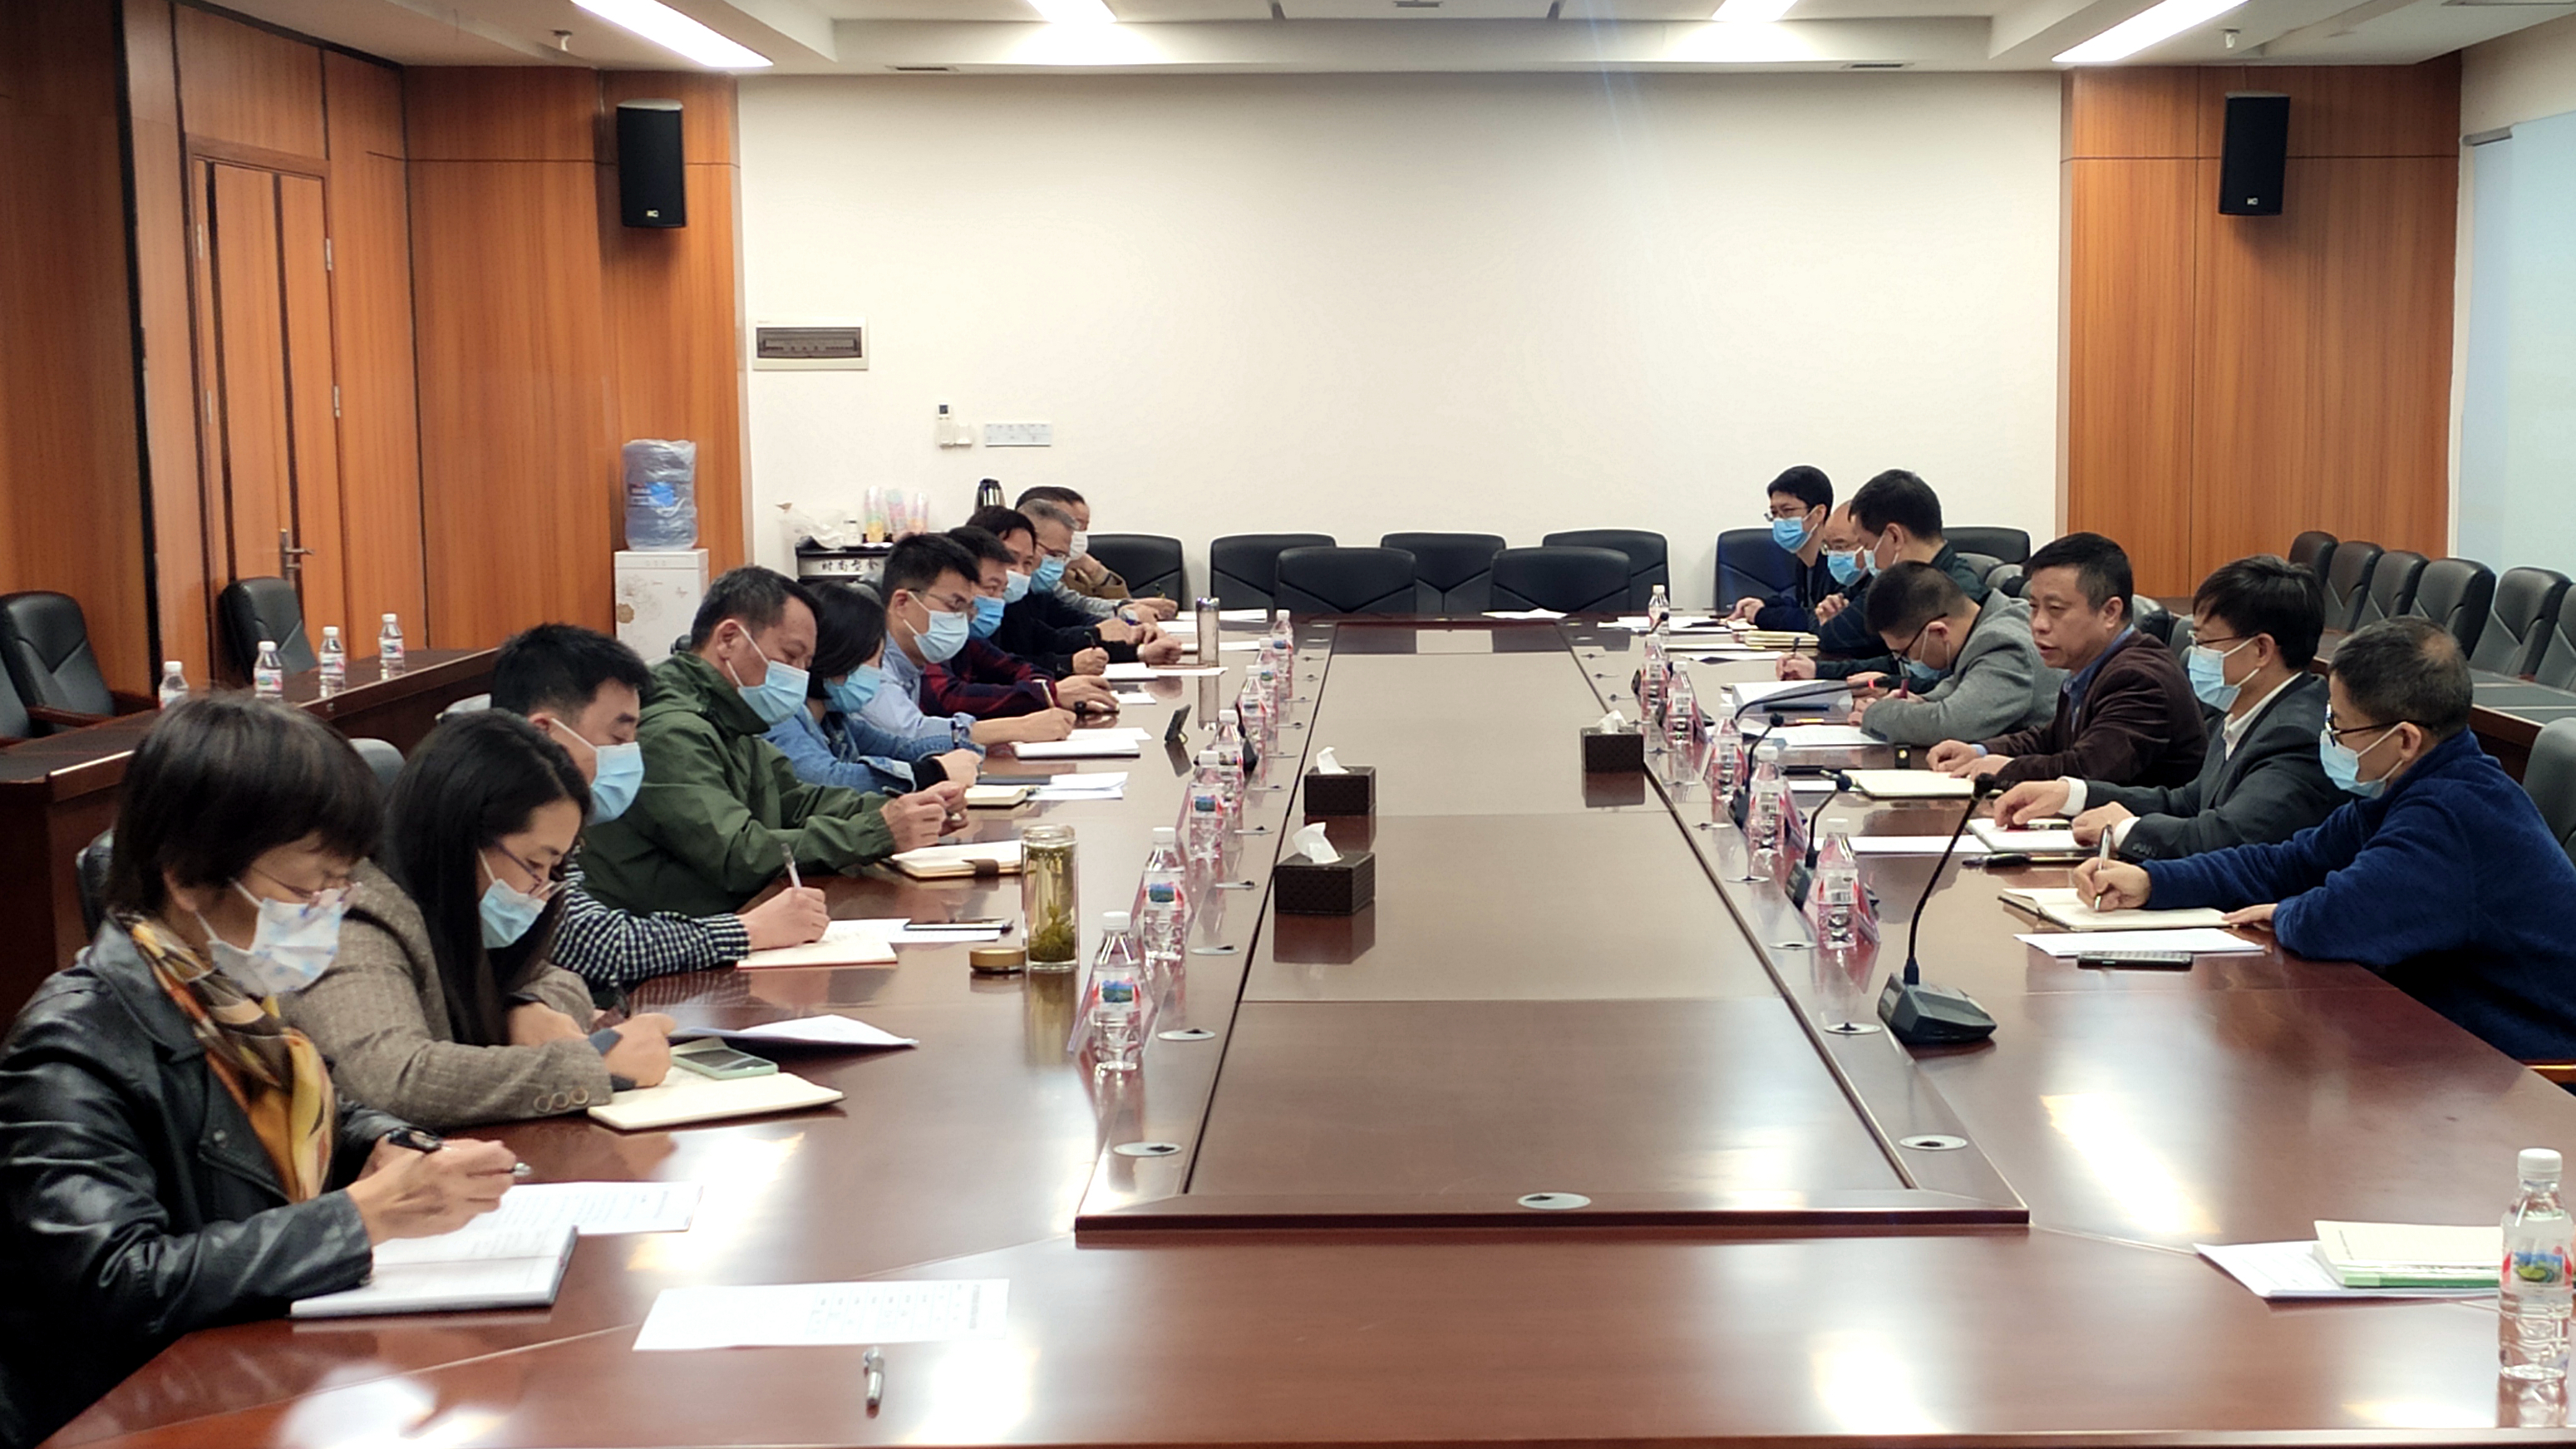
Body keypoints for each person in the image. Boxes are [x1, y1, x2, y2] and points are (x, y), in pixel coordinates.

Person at [0, 697, 516, 1448]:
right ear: (187, 876)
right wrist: (357, 1218)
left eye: (339, 888)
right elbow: (119, 1280)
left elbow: (318, 1113)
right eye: (306, 891)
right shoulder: (71, 1042)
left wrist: (388, 1143)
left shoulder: (233, 999)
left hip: (263, 1373)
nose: (326, 914)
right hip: (134, 1417)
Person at [2076, 618, 2576, 1062]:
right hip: (2450, 1045)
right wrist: (2153, 881)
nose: (2329, 735)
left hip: (2530, 1069)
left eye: (2340, 725)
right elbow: (2288, 862)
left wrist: (2286, 912)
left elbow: (2336, 920)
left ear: (2405, 739)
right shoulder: (2409, 786)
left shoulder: (2452, 814)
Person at [283, 712, 678, 1129]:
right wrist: (592, 1065)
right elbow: (393, 1078)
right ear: (461, 837)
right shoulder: (354, 920)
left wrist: (522, 1006)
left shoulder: (459, 910)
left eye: (553, 868)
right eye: (534, 864)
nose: (541, 889)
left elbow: (558, 978)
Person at [579, 566, 953, 918]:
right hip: (673, 939)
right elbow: (738, 853)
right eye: (790, 656)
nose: (799, 676)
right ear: (728, 639)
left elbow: (796, 800)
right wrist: (877, 831)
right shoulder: (672, 730)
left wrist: (908, 810)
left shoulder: (730, 716)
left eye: (806, 663)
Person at [491, 623, 830, 987]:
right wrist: (749, 930)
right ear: (544, 733)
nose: (629, 755)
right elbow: (595, 945)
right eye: (618, 738)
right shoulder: (488, 814)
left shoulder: (552, 817)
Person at [1995, 555, 2341, 858]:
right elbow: (2186, 803)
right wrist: (2073, 794)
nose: (2196, 654)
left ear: (2261, 650)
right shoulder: (2244, 711)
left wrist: (2126, 829)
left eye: (2205, 642)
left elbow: (2229, 836)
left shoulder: (2294, 734)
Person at [1927, 531, 2205, 790]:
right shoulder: (2090, 663)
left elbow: (2089, 769)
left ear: (2110, 612)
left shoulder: (2139, 679)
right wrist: (1980, 751)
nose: (2038, 624)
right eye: (2033, 607)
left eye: (2055, 609)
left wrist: (2009, 768)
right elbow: (2052, 739)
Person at [771, 580, 988, 794]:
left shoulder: (834, 721)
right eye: (873, 660)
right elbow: (829, 780)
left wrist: (962, 749)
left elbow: (901, 748)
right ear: (839, 654)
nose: (878, 671)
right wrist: (933, 772)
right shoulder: (781, 717)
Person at [871, 533, 1081, 750]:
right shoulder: (870, 663)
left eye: (967, 609)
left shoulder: (912, 662)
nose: (962, 620)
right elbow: (910, 734)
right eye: (955, 606)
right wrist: (1019, 728)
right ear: (902, 603)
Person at [1783, 471, 1989, 682]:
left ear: (1894, 537)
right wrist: (1818, 670)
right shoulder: (1908, 583)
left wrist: (1887, 683)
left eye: (1867, 546)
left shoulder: (1959, 595)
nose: (1867, 558)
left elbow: (1947, 684)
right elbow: (1899, 664)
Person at [1846, 561, 2056, 747]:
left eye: (1906, 653)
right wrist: (1921, 702)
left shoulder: (2003, 644)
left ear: (1939, 632)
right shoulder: (1988, 624)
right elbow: (1959, 687)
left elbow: (1952, 725)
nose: (1908, 662)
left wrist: (1876, 714)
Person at [926, 525, 1121, 719]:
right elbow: (949, 697)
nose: (997, 600)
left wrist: (1047, 689)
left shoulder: (970, 637)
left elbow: (1015, 667)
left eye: (1002, 590)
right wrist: (1046, 694)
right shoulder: (928, 635)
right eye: (990, 588)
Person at [1016, 499, 1185, 666]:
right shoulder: (1012, 592)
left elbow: (1075, 617)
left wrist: (1132, 635)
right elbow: (1042, 645)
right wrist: (1096, 635)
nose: (1059, 563)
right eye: (1054, 555)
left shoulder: (1040, 591)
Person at [1016, 484, 1180, 619]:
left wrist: (1125, 608)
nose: (1075, 534)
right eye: (1074, 524)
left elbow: (1078, 608)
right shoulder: (1018, 580)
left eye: (1083, 528)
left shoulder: (1064, 572)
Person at [1726, 466, 1838, 631]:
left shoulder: (1837, 564)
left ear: (1818, 513)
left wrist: (1762, 615)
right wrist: (1764, 604)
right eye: (1774, 513)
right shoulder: (1804, 562)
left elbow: (1817, 619)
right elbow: (1802, 606)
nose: (1779, 520)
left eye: (1787, 511)